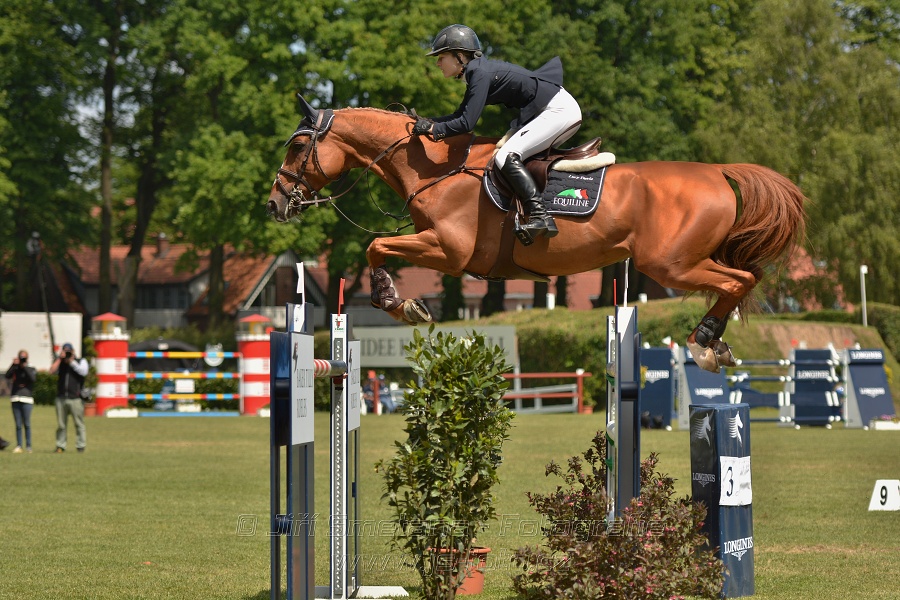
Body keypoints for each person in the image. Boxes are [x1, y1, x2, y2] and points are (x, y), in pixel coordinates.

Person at [412, 24, 583, 240]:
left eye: (441, 56)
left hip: (558, 111)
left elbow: (466, 123)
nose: (437, 62)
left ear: (459, 56)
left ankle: (541, 216)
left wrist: (432, 129)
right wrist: (427, 122)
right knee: (509, 154)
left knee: (505, 156)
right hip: (554, 108)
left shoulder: (479, 73)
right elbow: (459, 115)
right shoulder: (477, 72)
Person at [50, 342, 89, 453]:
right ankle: (60, 445)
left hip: (75, 398)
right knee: (61, 424)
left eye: (68, 351)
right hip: (61, 397)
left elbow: (83, 372)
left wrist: (71, 361)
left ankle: (80, 446)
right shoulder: (60, 363)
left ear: (73, 351)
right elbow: (51, 371)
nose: (66, 353)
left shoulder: (80, 361)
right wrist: (59, 359)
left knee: (79, 423)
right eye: (65, 351)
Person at [5, 349, 37, 453]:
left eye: (24, 357)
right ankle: (19, 445)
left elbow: (33, 379)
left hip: (27, 399)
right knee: (18, 424)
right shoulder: (15, 368)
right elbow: (7, 376)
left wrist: (25, 367)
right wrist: (13, 365)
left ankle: (28, 446)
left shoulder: (30, 367)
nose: (22, 359)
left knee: (27, 423)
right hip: (15, 398)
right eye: (21, 357)